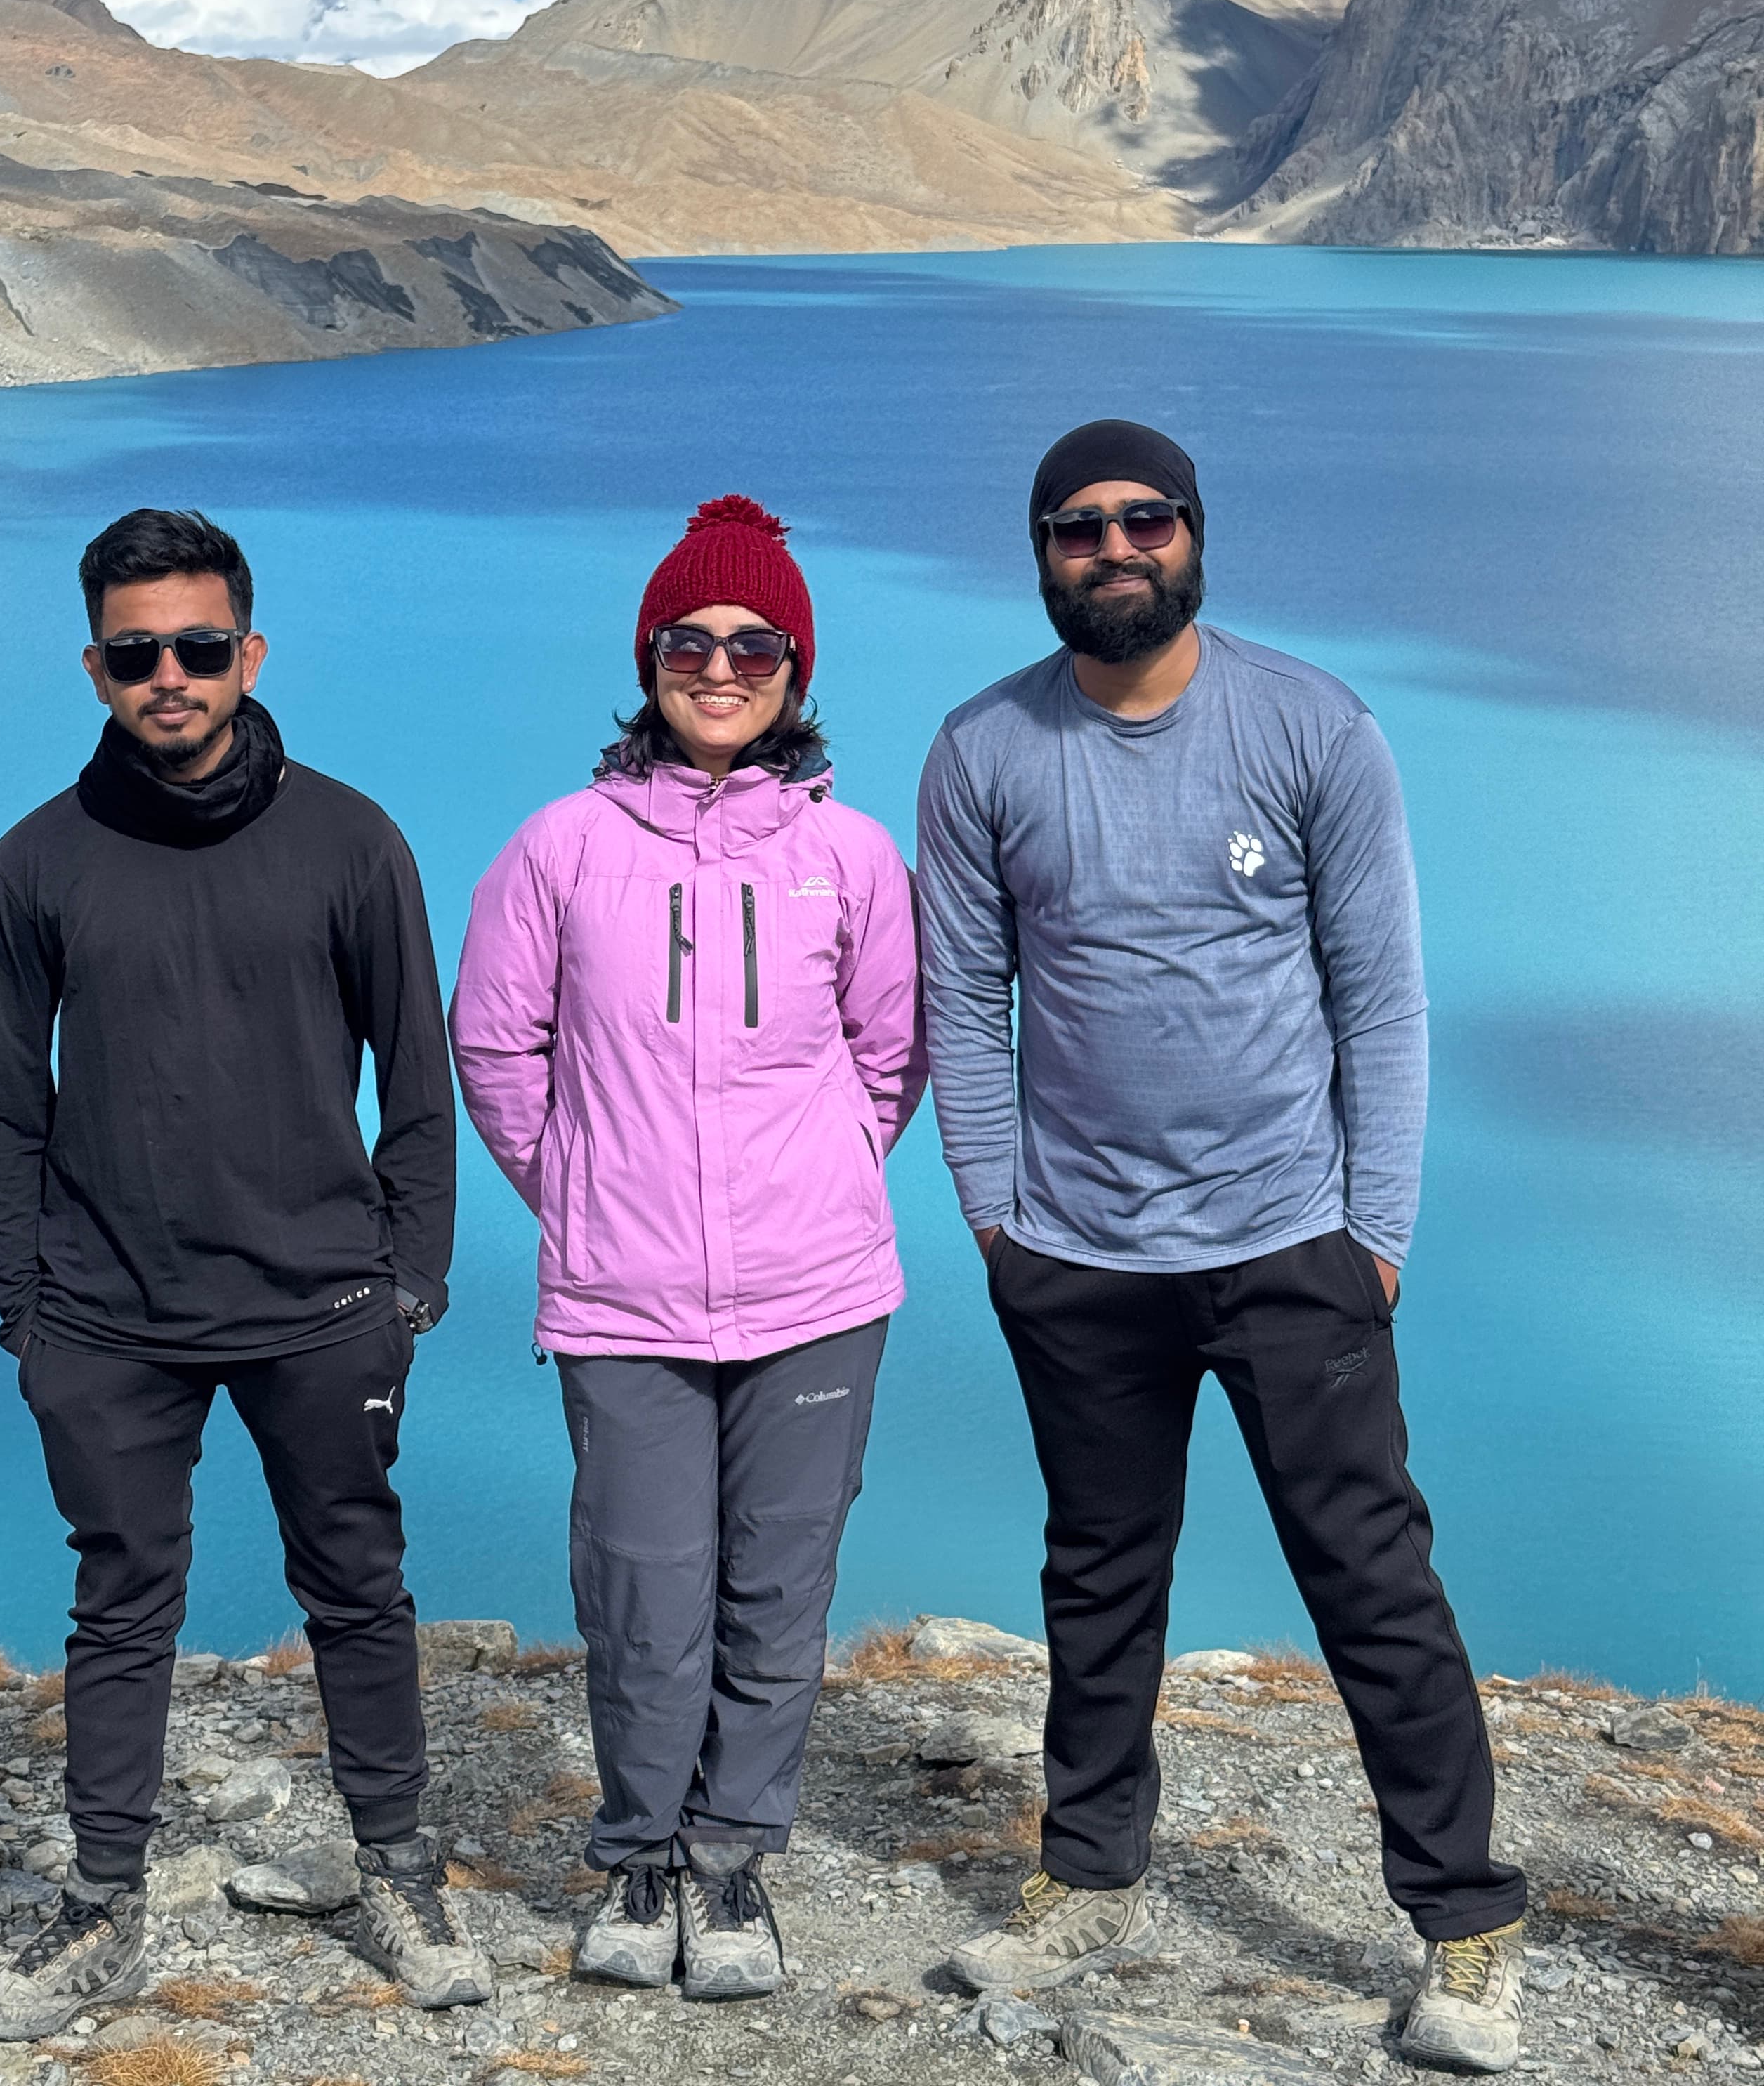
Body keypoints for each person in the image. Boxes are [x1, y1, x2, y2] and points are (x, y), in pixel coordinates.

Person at [915, 422, 1527, 2076]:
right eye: (1077, 529)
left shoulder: (1314, 726)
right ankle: (1090, 1871)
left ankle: (1467, 1926)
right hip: (1080, 1255)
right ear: (1039, 554)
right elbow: (964, 999)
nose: (1115, 550)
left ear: (1194, 535)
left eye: (1144, 521)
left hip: (1289, 1246)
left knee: (1372, 1577)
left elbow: (1379, 992)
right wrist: (998, 1219)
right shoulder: (982, 752)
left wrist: (1373, 1230)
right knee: (1099, 1575)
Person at [0, 506, 491, 2042]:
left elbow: (421, 1080)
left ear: (250, 653)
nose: (170, 677)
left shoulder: (351, 838)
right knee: (121, 1604)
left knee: (358, 1588)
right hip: (107, 1319)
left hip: (325, 1306)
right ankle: (102, 1908)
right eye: (138, 654)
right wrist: (26, 1315)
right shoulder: (35, 865)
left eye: (200, 647)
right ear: (96, 666)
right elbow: (4, 1100)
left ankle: (397, 1870)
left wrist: (413, 1285)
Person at [449, 495, 925, 2002]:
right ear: (648, 657)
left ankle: (731, 1869)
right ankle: (639, 1858)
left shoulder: (849, 856)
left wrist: (829, 1170)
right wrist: (582, 1189)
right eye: (688, 641)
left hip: (817, 1292)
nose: (720, 666)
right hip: (624, 1295)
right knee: (645, 1591)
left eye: (753, 644)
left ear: (796, 667)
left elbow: (891, 1054)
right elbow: (496, 1044)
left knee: (779, 1590)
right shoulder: (563, 848)